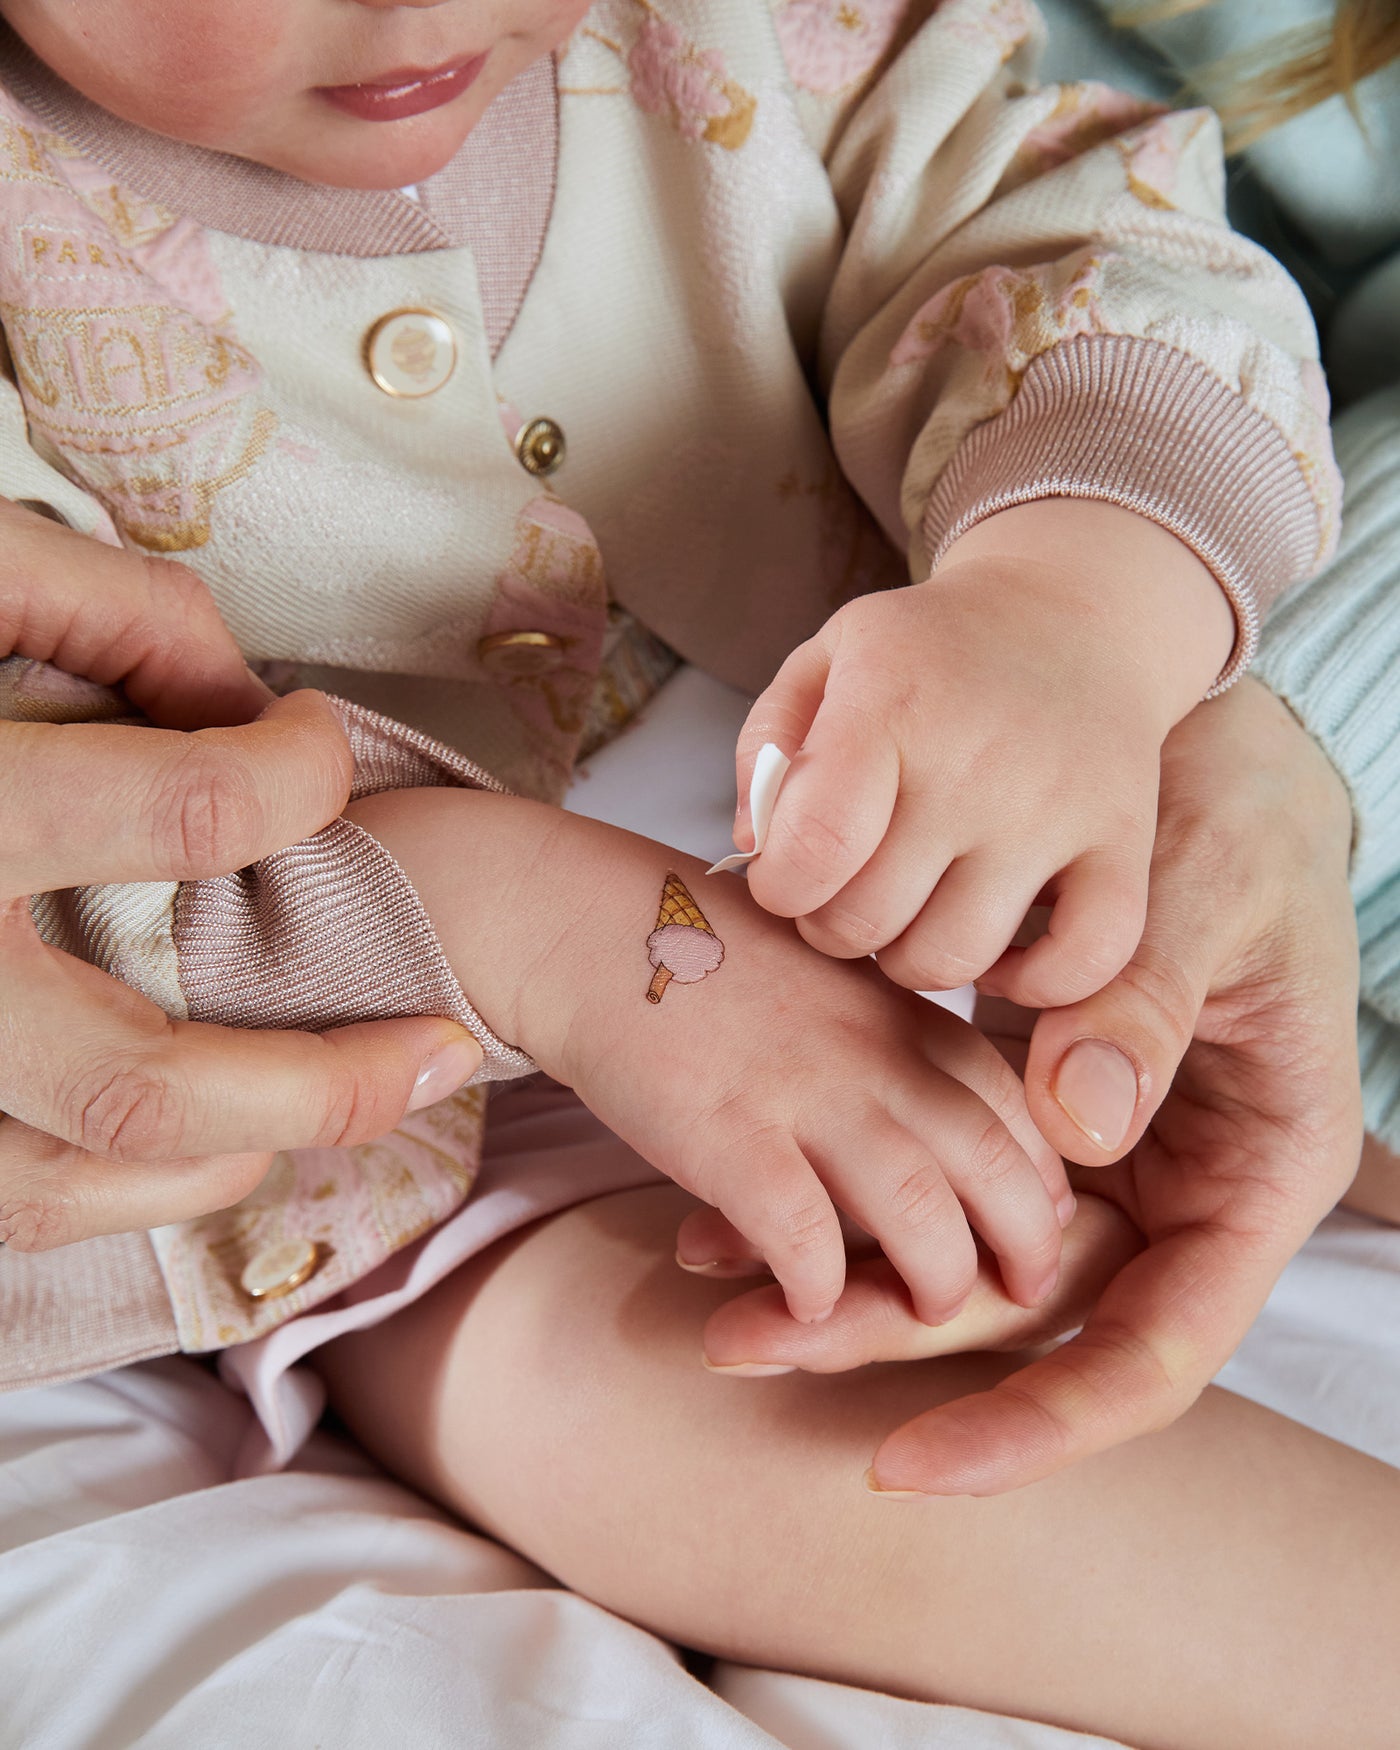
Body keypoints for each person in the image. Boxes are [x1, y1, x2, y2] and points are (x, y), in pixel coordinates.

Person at [0, 3, 1397, 1740]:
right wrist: (544, 940)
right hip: (401, 1101)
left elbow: (1077, 223)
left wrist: (1076, 601)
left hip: (961, 805)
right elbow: (65, 872)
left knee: (1261, 1108)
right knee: (710, 1423)